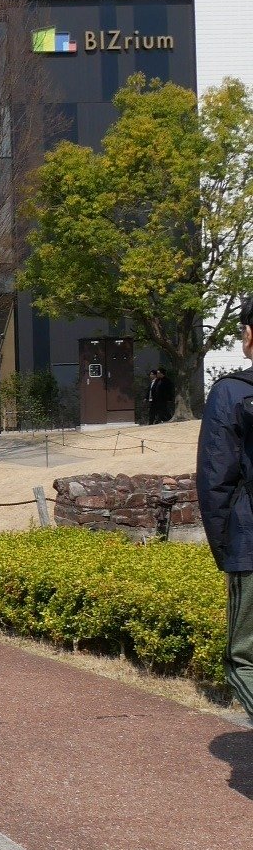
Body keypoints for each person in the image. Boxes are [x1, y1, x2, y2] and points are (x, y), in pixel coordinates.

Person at [196, 296, 253, 721]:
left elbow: (216, 482)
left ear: (248, 336)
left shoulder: (232, 392)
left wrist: (227, 553)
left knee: (244, 660)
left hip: (251, 544)